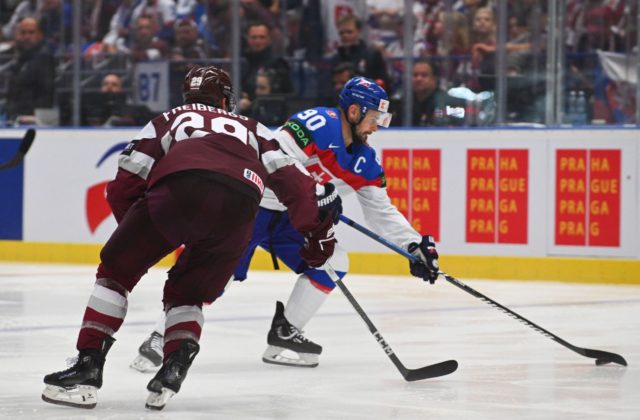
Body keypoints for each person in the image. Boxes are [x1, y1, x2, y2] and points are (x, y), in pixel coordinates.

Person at [40, 65, 341, 411]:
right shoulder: (253, 128)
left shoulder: (172, 118)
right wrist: (317, 234)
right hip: (241, 205)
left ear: (188, 96)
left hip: (178, 191)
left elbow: (127, 180)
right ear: (226, 99)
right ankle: (173, 367)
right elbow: (296, 183)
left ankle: (87, 369)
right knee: (189, 293)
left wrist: (141, 236)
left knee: (115, 275)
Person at [130, 76, 440, 371]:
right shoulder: (316, 124)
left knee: (333, 259)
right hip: (253, 205)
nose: (377, 127)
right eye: (375, 118)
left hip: (292, 218)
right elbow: (273, 160)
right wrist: (318, 193)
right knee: (216, 276)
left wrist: (413, 245)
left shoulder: (365, 161)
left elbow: (381, 211)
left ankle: (285, 333)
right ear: (355, 111)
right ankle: (161, 337)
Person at [5, 16, 55, 125]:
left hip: (32, 119)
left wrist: (35, 115)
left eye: (31, 32)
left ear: (40, 35)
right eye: (23, 33)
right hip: (16, 116)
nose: (26, 37)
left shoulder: (44, 58)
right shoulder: (20, 59)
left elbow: (46, 92)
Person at [329, 14, 391, 93]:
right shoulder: (336, 59)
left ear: (358, 31)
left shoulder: (372, 55)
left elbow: (385, 86)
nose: (345, 36)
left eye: (349, 32)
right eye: (341, 33)